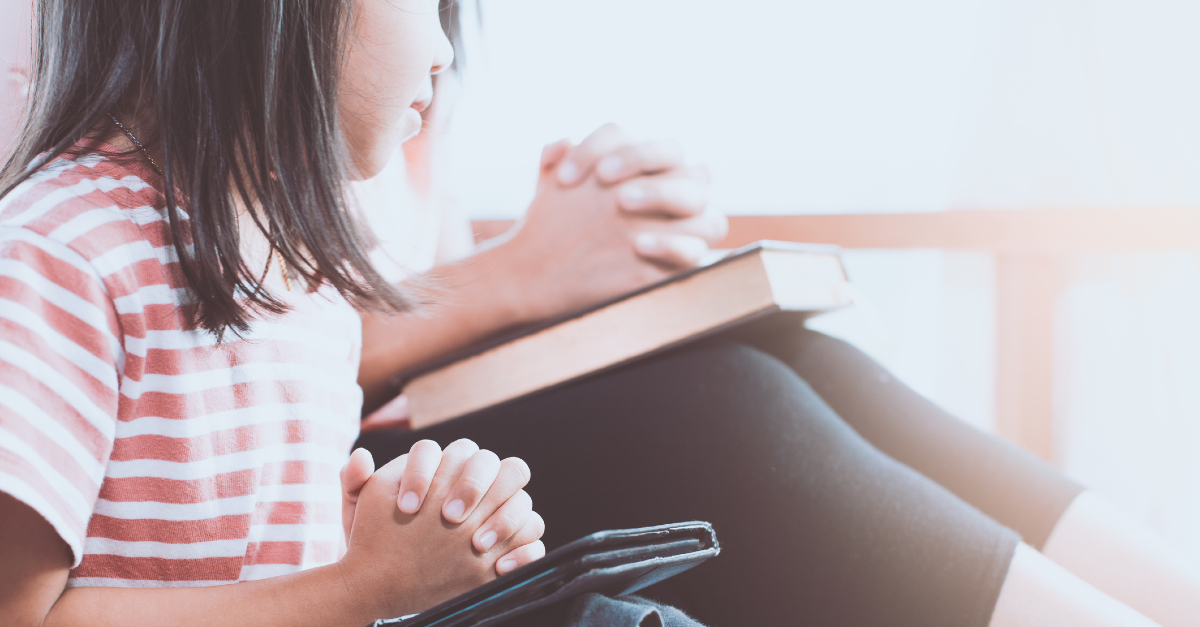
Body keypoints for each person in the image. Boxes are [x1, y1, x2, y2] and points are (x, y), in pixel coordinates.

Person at [0, 2, 1196, 627]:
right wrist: (527, 271)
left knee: (771, 348)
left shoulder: (310, 189)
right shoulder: (75, 236)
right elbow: (189, 352)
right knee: (722, 411)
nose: (452, 53)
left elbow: (283, 378)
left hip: (337, 485)